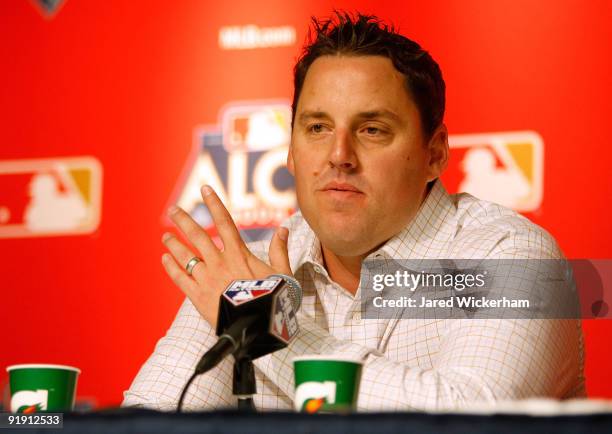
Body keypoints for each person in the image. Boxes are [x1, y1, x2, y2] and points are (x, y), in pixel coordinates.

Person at [122, 12, 584, 411]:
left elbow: (469, 417)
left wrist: (267, 335)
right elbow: (157, 413)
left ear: (436, 153)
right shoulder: (245, 271)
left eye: (372, 129)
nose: (339, 154)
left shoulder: (511, 255)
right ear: (291, 150)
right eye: (318, 127)